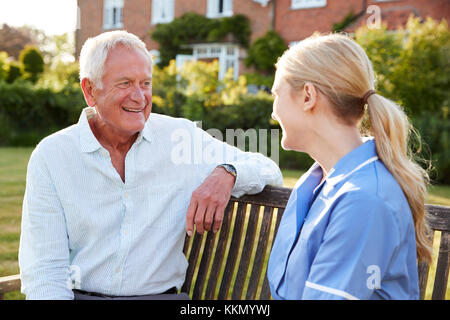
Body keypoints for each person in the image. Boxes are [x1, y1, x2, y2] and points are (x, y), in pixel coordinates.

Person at [18, 30, 283, 300]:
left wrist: (227, 173)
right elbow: (44, 270)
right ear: (90, 90)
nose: (140, 96)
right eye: (124, 83)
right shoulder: (52, 156)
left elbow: (268, 168)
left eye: (145, 83)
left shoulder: (180, 138)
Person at [267, 33, 432, 300]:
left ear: (308, 96)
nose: (274, 111)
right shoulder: (321, 180)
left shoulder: (364, 199)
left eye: (277, 94)